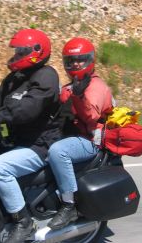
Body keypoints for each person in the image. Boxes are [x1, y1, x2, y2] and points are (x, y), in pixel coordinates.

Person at [0, 28, 61, 243]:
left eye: (21, 52)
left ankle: (22, 222)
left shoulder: (46, 76)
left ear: (36, 52)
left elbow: (27, 109)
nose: (16, 56)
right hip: (16, 141)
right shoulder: (15, 78)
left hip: (39, 145)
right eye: (16, 51)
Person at [46, 37, 115, 230]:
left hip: (92, 140)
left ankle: (69, 204)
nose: (76, 64)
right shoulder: (71, 87)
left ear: (90, 60)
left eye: (80, 59)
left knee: (59, 152)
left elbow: (92, 116)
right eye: (71, 60)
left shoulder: (95, 86)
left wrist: (79, 97)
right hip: (73, 135)